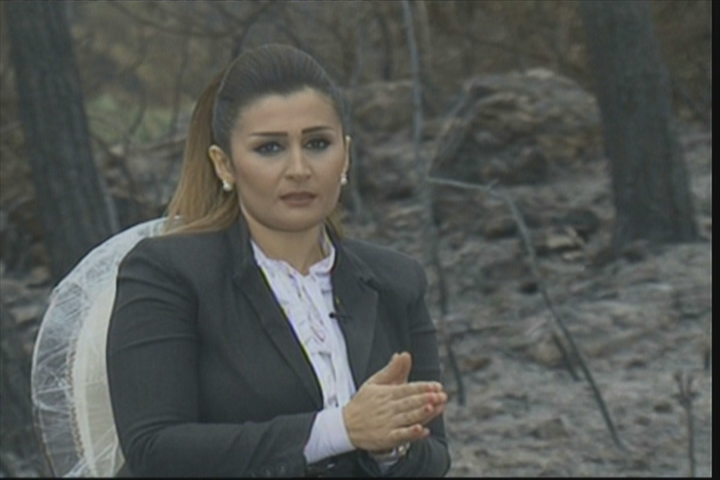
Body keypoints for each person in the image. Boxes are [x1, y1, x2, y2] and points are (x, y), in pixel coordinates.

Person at [106, 44, 450, 478]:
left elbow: (436, 454)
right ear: (224, 165)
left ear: (345, 154)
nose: (299, 168)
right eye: (270, 148)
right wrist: (340, 429)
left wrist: (392, 446)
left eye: (318, 143)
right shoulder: (167, 272)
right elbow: (155, 450)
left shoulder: (397, 280)